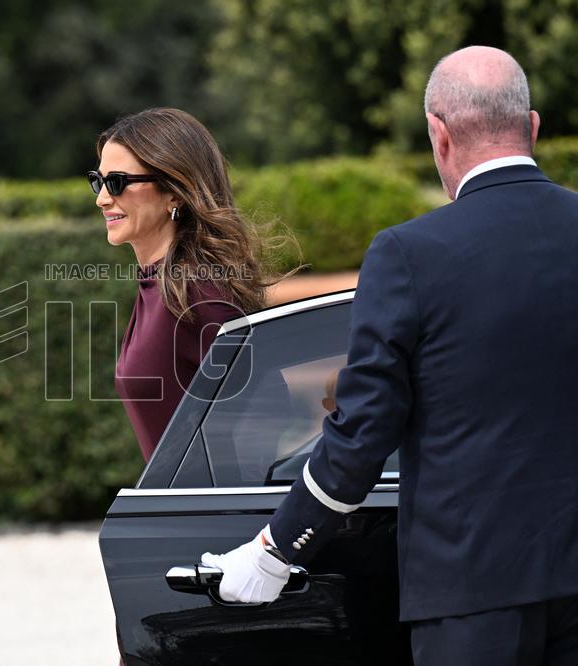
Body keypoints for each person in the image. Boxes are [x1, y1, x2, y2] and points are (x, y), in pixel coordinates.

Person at [200, 46, 578, 664]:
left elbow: (362, 433)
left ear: (438, 134)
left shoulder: (410, 253)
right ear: (532, 127)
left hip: (472, 592)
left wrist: (275, 551)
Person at [91, 107, 282, 462]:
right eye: (98, 181)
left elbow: (268, 406)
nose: (102, 198)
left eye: (117, 182)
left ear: (175, 193)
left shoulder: (198, 292)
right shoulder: (163, 284)